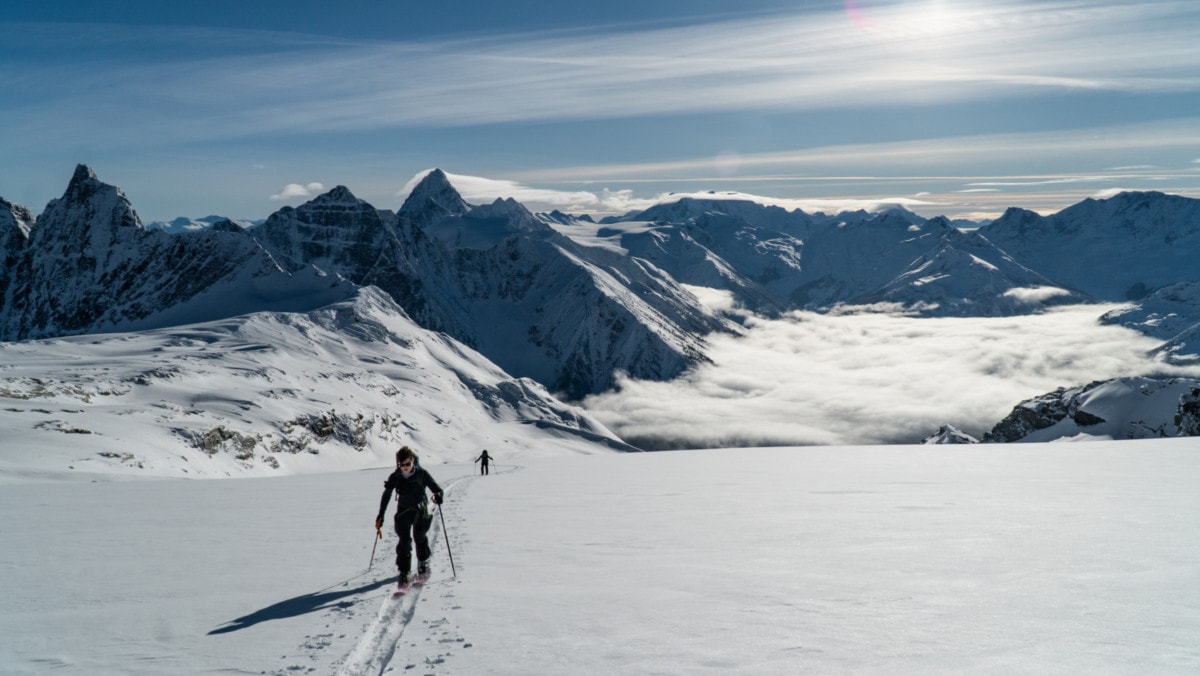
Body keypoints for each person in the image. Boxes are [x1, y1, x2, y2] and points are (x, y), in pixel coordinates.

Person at [375, 446, 443, 588]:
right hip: (403, 512)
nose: (404, 468)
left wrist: (438, 496)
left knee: (420, 536)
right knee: (404, 541)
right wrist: (381, 514)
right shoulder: (395, 477)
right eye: (401, 465)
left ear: (412, 461)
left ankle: (423, 563)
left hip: (420, 511)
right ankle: (404, 571)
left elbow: (437, 489)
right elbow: (386, 495)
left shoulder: (422, 474)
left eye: (407, 464)